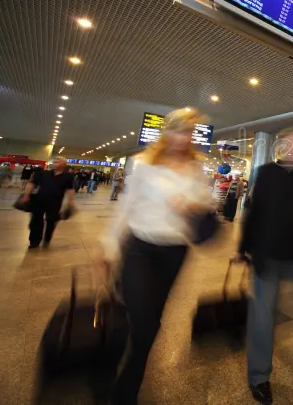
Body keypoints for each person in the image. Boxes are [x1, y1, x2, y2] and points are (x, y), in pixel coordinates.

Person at [101, 108, 213, 404]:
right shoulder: (146, 164)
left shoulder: (195, 167)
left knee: (151, 322)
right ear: (167, 132)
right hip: (140, 247)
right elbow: (126, 205)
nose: (182, 138)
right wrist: (109, 245)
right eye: (177, 131)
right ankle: (120, 389)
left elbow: (204, 203)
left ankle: (128, 386)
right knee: (142, 318)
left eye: (188, 132)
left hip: (175, 251)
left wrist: (191, 205)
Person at [239, 131, 293, 405]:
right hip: (266, 255)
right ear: (280, 148)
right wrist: (242, 248)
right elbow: (254, 210)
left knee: (279, 307)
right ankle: (259, 377)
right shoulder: (265, 173)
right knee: (263, 317)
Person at [18, 156, 74, 248]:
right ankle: (34, 241)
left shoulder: (67, 176)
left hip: (55, 202)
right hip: (40, 200)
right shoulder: (43, 174)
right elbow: (32, 184)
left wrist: (70, 201)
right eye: (54, 161)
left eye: (58, 161)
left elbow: (70, 189)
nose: (55, 162)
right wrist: (26, 195)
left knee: (51, 221)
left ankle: (47, 238)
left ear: (64, 164)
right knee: (36, 221)